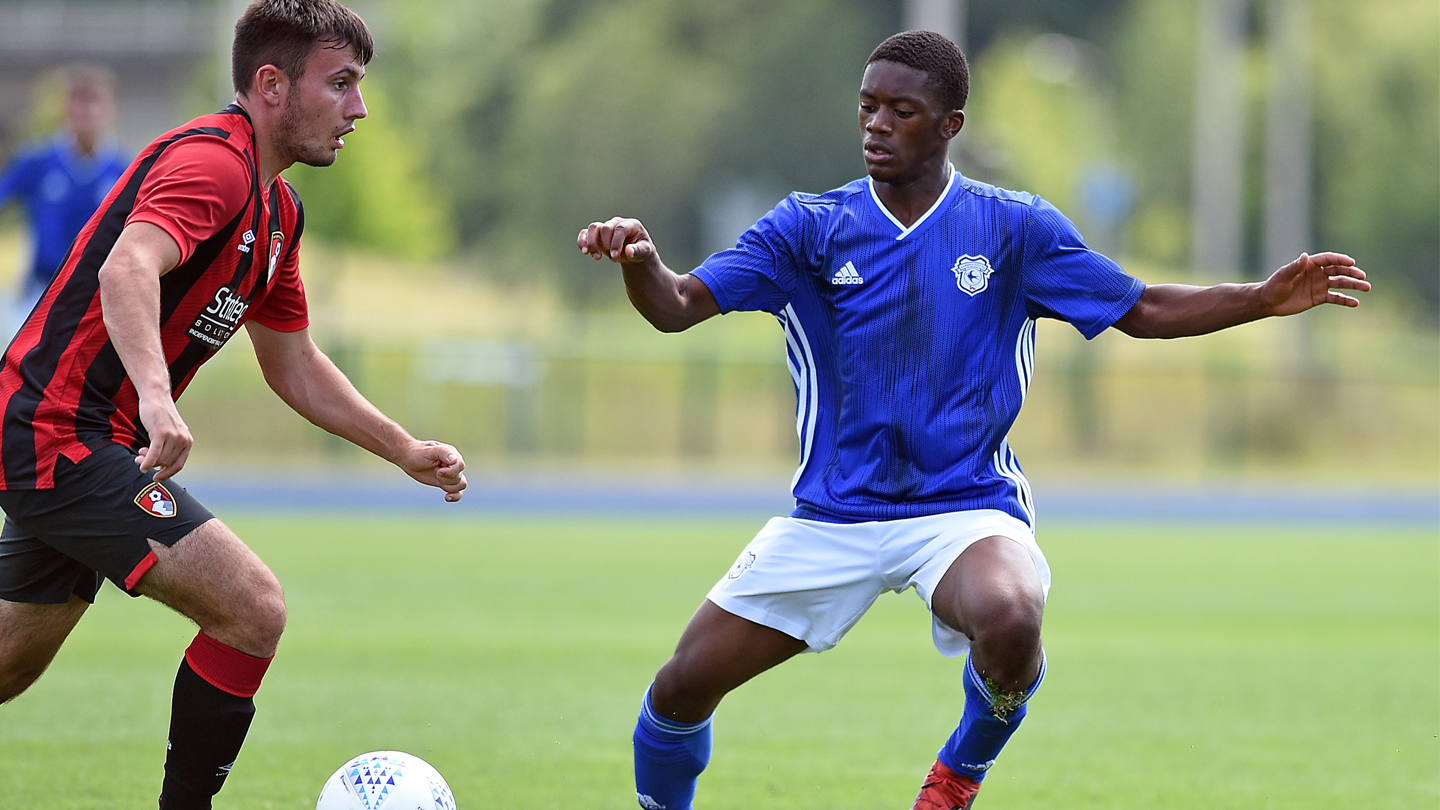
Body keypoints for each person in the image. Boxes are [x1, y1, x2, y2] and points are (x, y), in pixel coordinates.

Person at [577, 29, 1369, 810]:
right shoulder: (808, 227)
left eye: (901, 110)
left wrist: (1261, 300)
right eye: (867, 107)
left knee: (1013, 614)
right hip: (833, 512)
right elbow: (678, 308)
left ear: (950, 124)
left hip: (963, 507)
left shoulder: (1015, 228)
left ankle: (957, 776)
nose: (876, 125)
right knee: (679, 692)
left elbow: (1142, 308)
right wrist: (643, 261)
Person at [0, 2, 467, 808]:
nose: (358, 109)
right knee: (253, 609)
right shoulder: (212, 164)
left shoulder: (278, 214)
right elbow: (127, 270)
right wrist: (156, 398)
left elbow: (295, 365)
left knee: (7, 665)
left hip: (89, 439)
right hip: (59, 431)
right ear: (271, 85)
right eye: (343, 84)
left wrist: (402, 448)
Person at [0, 64, 130, 336]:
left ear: (110, 108)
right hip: (38, 294)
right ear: (65, 107)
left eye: (94, 100)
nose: (86, 110)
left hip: (95, 301)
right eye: (78, 100)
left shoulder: (125, 172)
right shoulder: (37, 161)